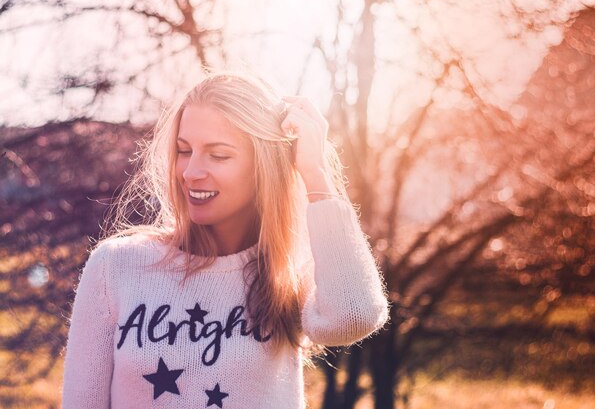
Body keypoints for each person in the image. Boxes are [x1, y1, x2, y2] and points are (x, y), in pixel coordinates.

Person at [61, 68, 390, 408]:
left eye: (218, 155)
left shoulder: (290, 273)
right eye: (184, 150)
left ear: (264, 166)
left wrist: (316, 172)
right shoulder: (117, 265)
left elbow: (355, 315)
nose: (191, 172)